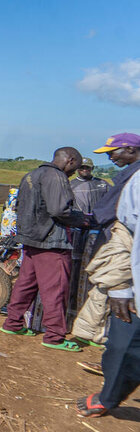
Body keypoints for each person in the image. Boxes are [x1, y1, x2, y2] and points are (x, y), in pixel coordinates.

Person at [0, 147, 89, 352]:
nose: (74, 173)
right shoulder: (56, 176)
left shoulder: (31, 175)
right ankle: (55, 336)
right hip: (52, 242)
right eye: (74, 168)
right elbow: (59, 210)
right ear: (71, 160)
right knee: (56, 289)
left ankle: (12, 323)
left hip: (31, 240)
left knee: (25, 284)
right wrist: (82, 219)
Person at [76, 168, 140, 417]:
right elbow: (123, 232)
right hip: (135, 288)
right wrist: (120, 285)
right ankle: (108, 397)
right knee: (124, 346)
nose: (111, 158)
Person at [71, 133, 140, 346]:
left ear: (130, 149)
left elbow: (108, 210)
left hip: (124, 244)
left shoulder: (133, 177)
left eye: (113, 152)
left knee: (117, 294)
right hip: (122, 242)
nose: (111, 158)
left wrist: (83, 220)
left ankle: (113, 347)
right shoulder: (129, 175)